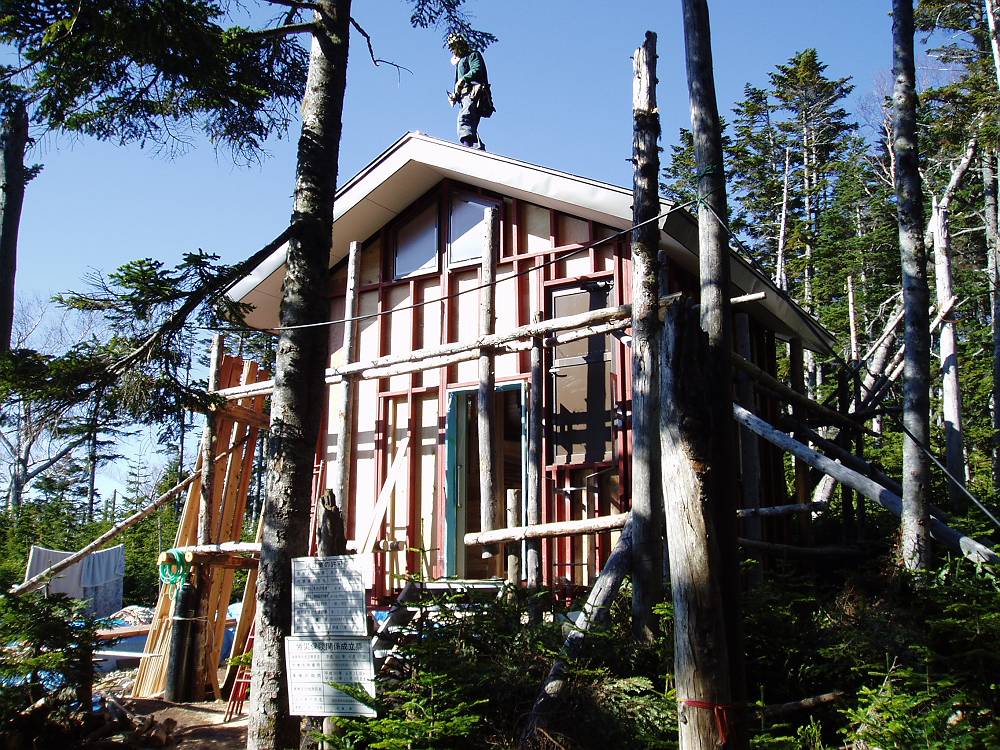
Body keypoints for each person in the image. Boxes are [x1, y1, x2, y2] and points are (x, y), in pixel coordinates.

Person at [447, 34, 493, 150]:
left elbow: (476, 69)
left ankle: (467, 147)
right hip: (464, 96)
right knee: (470, 124)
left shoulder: (472, 55)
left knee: (464, 119)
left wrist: (464, 79)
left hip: (473, 93)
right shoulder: (460, 61)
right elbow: (458, 82)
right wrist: (455, 95)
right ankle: (476, 148)